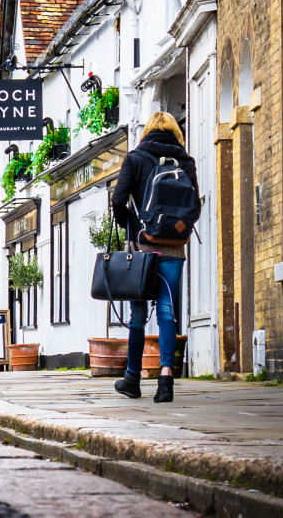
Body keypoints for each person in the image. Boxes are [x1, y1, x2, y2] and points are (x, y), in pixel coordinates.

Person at [111, 111, 199, 404]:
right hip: (174, 248)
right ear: (175, 132)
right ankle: (165, 379)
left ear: (146, 131)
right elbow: (194, 207)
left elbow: (118, 200)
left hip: (142, 248)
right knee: (167, 312)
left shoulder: (135, 158)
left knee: (138, 315)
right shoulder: (185, 162)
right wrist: (175, 230)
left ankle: (132, 379)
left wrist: (133, 228)